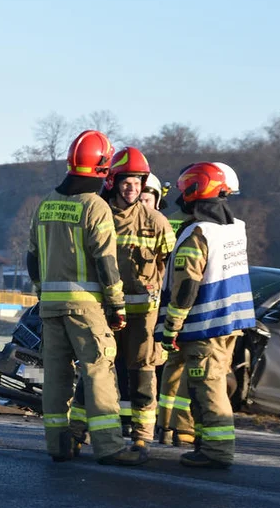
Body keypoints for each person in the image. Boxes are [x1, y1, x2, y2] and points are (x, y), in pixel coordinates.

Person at [27, 130, 147, 466]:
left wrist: (42, 292)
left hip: (50, 308)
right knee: (98, 371)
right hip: (86, 309)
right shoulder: (95, 207)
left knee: (56, 376)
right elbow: (106, 262)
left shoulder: (45, 204)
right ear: (103, 168)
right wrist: (117, 305)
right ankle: (110, 447)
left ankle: (57, 444)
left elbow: (32, 257)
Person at [73, 147, 174, 447]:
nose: (132, 190)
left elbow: (170, 269)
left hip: (144, 316)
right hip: (104, 312)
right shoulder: (99, 215)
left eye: (137, 184)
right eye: (126, 184)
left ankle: (142, 438)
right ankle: (78, 431)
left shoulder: (157, 222)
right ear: (113, 183)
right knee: (95, 370)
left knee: (143, 375)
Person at [157, 162, 254, 468]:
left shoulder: (198, 233)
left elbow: (187, 287)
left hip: (204, 327)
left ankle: (216, 449)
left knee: (207, 388)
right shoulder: (235, 228)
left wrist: (171, 327)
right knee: (212, 383)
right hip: (230, 323)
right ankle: (204, 440)